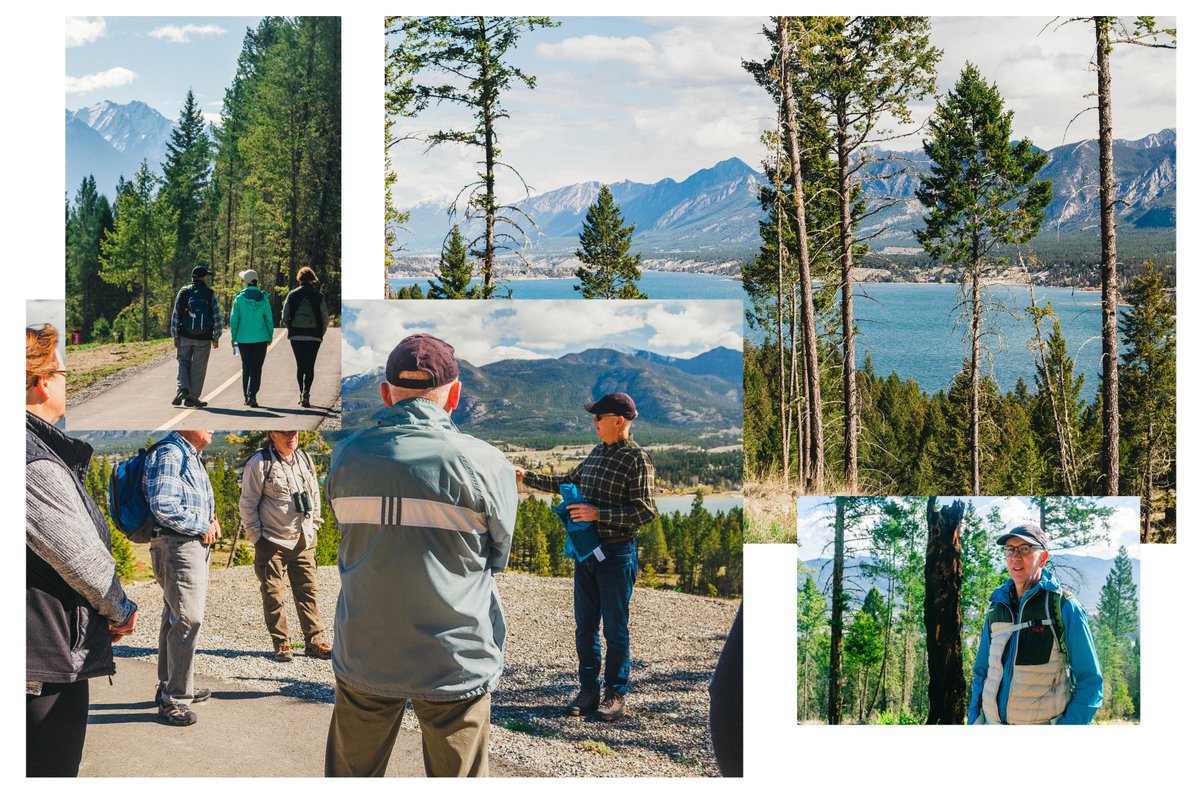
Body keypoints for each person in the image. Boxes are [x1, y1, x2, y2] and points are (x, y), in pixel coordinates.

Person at [324, 334, 516, 777]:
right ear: (455, 395)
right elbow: (498, 554)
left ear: (386, 393)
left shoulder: (346, 457)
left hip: (365, 650)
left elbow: (350, 534)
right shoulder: (485, 462)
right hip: (455, 657)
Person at [26, 324, 138, 776]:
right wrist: (119, 608)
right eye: (63, 371)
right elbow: (83, 561)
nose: (68, 380)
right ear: (40, 381)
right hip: (42, 659)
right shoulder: (31, 460)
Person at [516, 392, 655, 722]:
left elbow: (646, 512)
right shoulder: (596, 453)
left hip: (618, 553)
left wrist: (598, 514)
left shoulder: (637, 459)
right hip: (587, 553)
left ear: (618, 421)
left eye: (598, 417)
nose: (593, 422)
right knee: (585, 627)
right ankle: (588, 690)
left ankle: (616, 692)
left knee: (615, 630)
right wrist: (526, 477)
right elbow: (566, 482)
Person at [968, 522, 1104, 725]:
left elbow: (1091, 683)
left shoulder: (1063, 607)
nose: (1015, 557)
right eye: (1010, 550)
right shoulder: (996, 608)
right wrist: (974, 720)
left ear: (1043, 558)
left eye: (1025, 549)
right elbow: (982, 672)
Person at [143, 429, 219, 726]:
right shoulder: (171, 453)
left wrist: (210, 520)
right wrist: (203, 525)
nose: (212, 426)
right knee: (188, 618)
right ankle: (175, 698)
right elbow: (164, 506)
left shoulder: (190, 454)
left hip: (187, 544)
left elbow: (191, 500)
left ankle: (172, 685)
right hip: (178, 545)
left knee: (174, 615)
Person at [239, 430, 331, 662]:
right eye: (285, 433)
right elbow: (248, 504)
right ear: (272, 434)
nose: (292, 436)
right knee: (273, 594)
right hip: (272, 541)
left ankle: (315, 641)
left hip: (304, 539)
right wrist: (257, 539)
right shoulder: (260, 463)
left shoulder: (305, 458)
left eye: (295, 432)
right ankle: (282, 643)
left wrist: (315, 524)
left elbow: (314, 494)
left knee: (308, 592)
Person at [170, 265, 223, 408]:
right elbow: (217, 317)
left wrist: (175, 335)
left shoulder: (184, 292)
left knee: (183, 362)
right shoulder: (209, 293)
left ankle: (182, 389)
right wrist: (216, 337)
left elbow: (176, 315)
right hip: (204, 337)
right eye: (206, 276)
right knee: (198, 367)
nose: (207, 278)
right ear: (203, 277)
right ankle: (192, 398)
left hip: (185, 335)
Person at [282, 266, 329, 408]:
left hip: (296, 336)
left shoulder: (292, 294)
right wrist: (321, 332)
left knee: (300, 365)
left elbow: (285, 316)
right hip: (314, 336)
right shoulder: (319, 296)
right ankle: (306, 393)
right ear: (312, 280)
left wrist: (291, 328)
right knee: (310, 366)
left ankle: (301, 393)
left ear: (299, 279)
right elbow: (325, 317)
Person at [229, 269, 274, 407]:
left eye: (243, 280)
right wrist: (270, 336)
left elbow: (234, 319)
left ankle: (246, 396)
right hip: (260, 338)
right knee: (257, 367)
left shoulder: (239, 298)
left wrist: (233, 336)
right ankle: (252, 395)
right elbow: (269, 319)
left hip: (243, 339)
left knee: (246, 367)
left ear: (247, 282)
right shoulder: (263, 298)